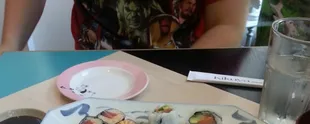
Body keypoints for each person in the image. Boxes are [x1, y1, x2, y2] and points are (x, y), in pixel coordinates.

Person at [0, 0, 249, 53]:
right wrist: (9, 47)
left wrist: (180, 88)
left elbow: (227, 25)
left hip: (186, 64)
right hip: (92, 65)